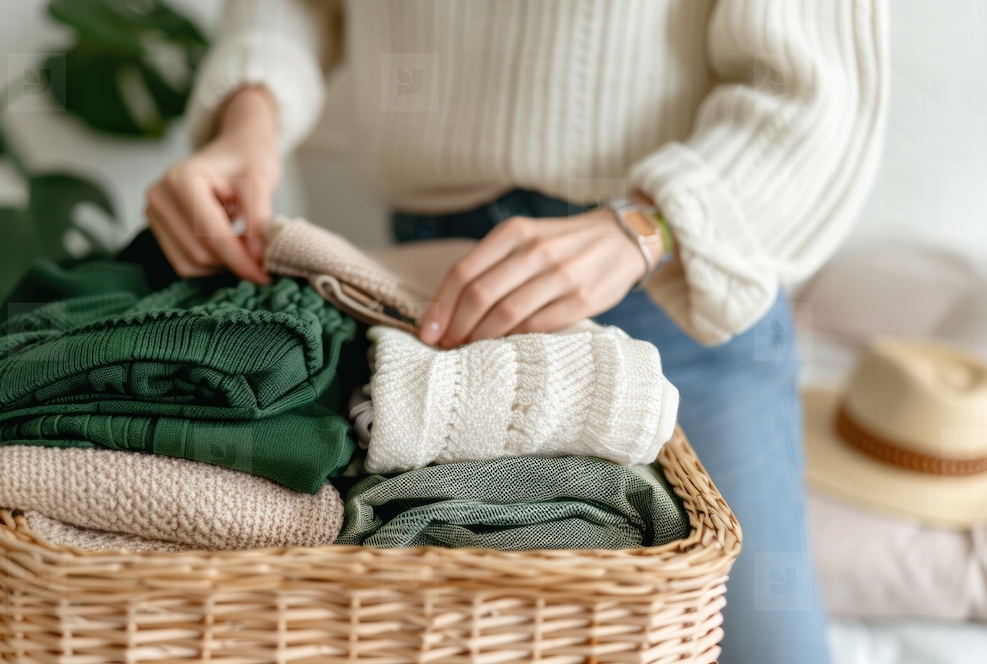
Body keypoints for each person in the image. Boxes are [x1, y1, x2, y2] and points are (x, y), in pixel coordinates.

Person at [145, 1, 888, 662]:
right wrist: (251, 115)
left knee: (760, 644)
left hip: (676, 292)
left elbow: (814, 91)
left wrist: (648, 225)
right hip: (422, 291)